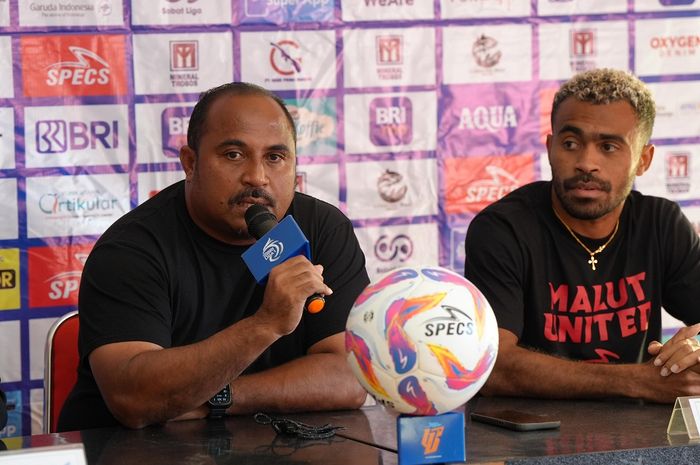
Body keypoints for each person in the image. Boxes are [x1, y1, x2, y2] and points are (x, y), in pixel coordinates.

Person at [58, 82, 370, 431]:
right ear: (190, 163)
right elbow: (135, 399)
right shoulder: (131, 248)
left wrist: (217, 398)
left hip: (269, 443)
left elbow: (352, 376)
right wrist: (265, 325)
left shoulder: (322, 228)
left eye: (275, 157)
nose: (257, 177)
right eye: (233, 155)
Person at [464, 68, 700, 403]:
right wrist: (639, 382)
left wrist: (690, 353)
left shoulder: (661, 224)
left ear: (643, 160)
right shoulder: (504, 229)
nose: (586, 163)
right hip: (527, 436)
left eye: (608, 147)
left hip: (637, 437)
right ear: (550, 147)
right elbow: (494, 365)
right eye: (571, 143)